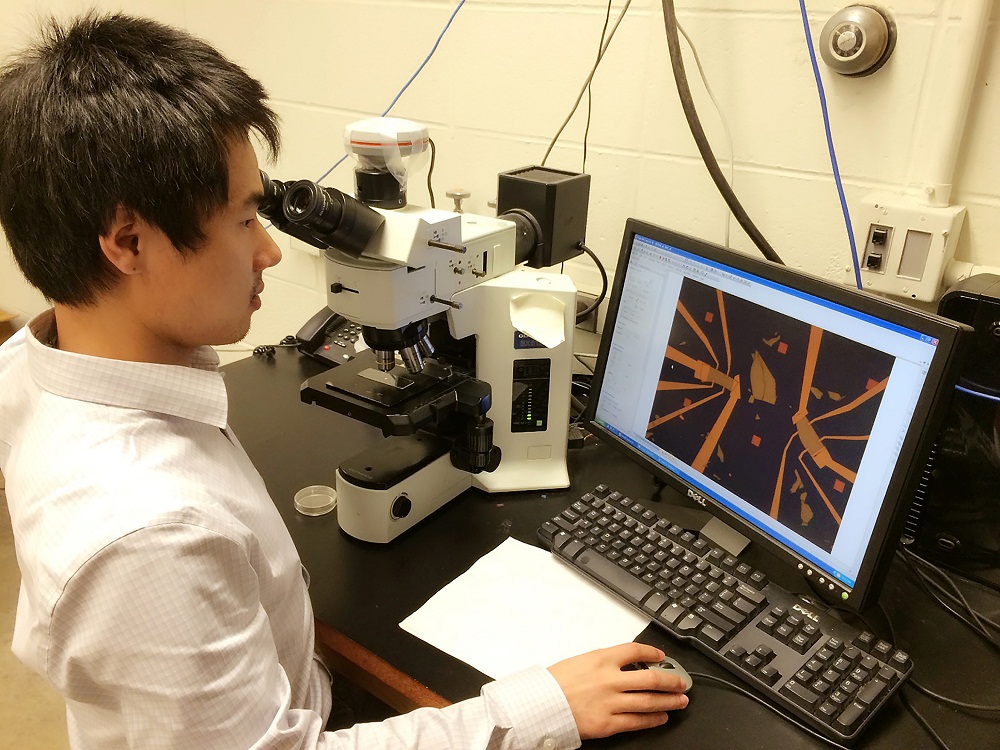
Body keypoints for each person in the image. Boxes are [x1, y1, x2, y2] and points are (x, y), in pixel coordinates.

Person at [0, 12, 689, 749]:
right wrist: (542, 706)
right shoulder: (151, 537)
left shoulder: (34, 362)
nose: (269, 252)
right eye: (243, 221)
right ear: (129, 241)